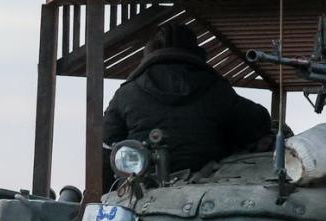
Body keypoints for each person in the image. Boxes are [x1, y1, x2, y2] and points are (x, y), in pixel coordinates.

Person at [104, 23, 273, 177]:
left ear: (148, 52)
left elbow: (107, 139)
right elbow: (257, 126)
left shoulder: (127, 92)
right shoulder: (216, 88)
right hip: (206, 188)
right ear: (196, 51)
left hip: (142, 190)